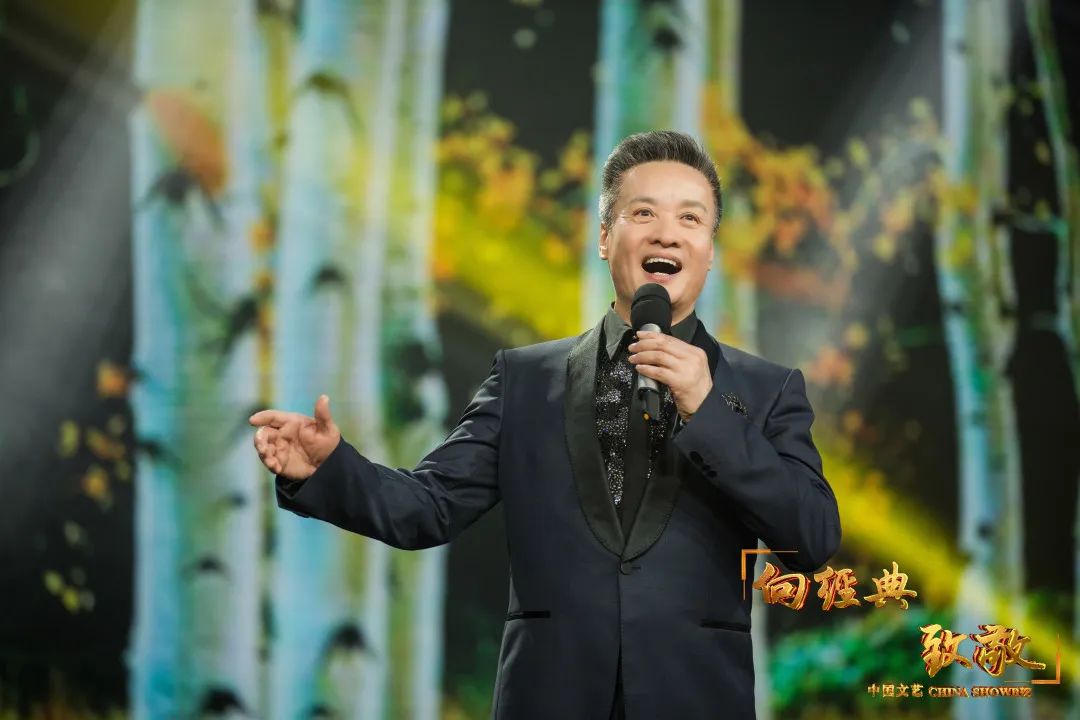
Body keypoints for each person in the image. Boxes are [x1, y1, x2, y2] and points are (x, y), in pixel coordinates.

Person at [250, 130, 841, 719]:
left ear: (709, 250)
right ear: (605, 238)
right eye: (643, 213)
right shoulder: (524, 380)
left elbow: (811, 538)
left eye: (690, 218)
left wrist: (708, 411)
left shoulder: (766, 391)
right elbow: (429, 506)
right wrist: (328, 469)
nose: (667, 233)